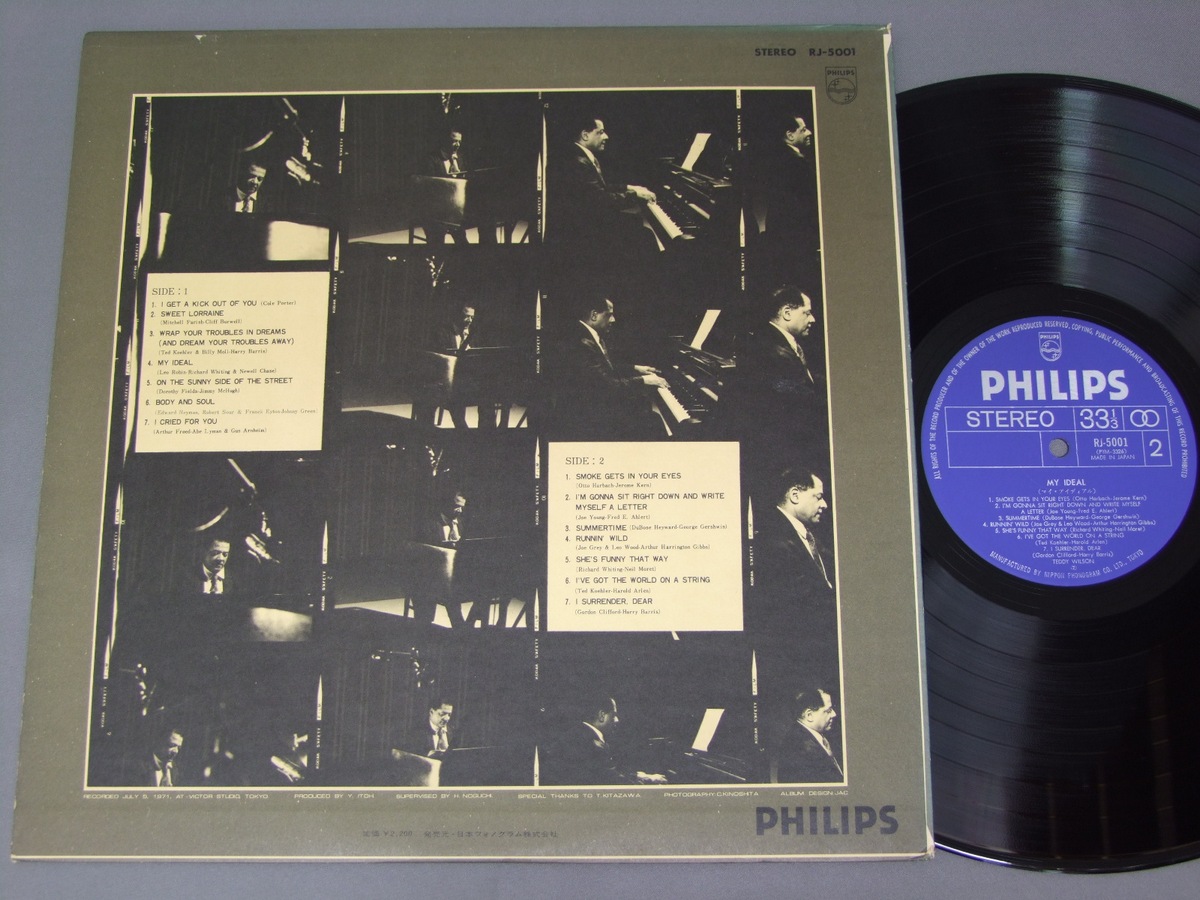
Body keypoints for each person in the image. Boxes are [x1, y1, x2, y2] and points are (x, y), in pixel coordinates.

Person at [750, 468, 838, 728]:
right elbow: (793, 605)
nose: (825, 504)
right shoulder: (773, 539)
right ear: (795, 495)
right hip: (795, 661)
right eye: (818, 496)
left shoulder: (808, 537)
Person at [551, 294, 670, 439]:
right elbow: (605, 386)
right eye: (609, 315)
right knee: (652, 421)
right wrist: (645, 380)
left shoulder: (586, 334)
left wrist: (635, 368)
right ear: (594, 315)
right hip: (585, 418)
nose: (613, 320)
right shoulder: (581, 341)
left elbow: (602, 369)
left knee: (645, 407)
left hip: (589, 407)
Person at [549, 115, 657, 253]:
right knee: (645, 235)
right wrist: (635, 195)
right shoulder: (578, 162)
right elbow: (600, 198)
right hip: (583, 231)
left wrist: (629, 187)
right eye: (600, 132)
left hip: (585, 222)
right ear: (585, 135)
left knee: (637, 222)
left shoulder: (580, 156)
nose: (606, 136)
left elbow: (599, 188)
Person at [543, 696, 666, 786]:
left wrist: (640, 776)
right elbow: (614, 781)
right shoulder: (593, 743)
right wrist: (648, 782)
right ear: (602, 715)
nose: (617, 720)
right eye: (614, 714)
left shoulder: (577, 734)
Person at [773, 687, 843, 783]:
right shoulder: (800, 748)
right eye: (828, 710)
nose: (834, 714)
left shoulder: (803, 734)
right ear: (809, 715)